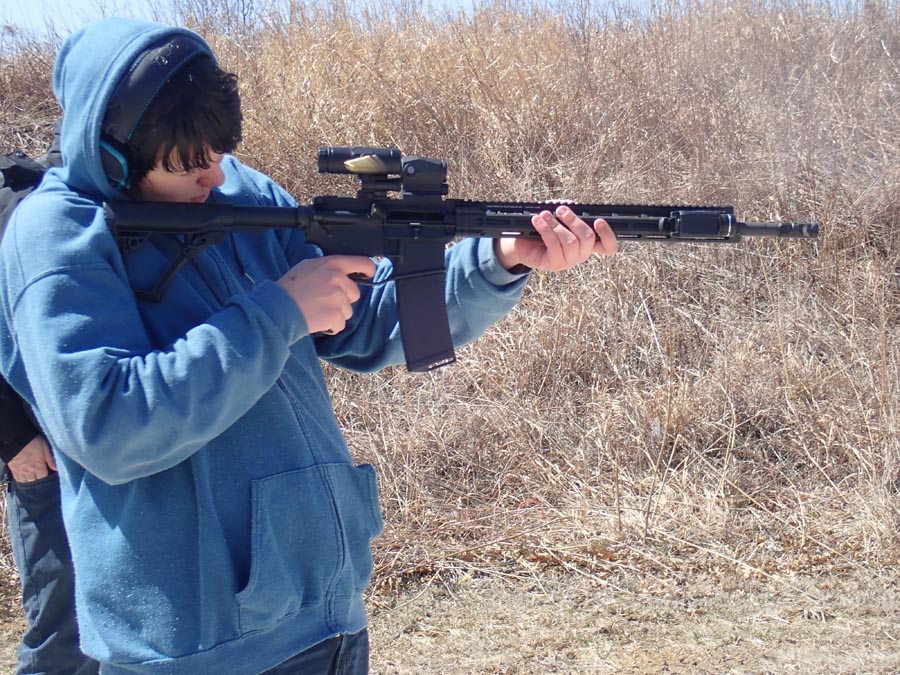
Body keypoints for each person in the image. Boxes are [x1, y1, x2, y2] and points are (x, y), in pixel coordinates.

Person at [0, 17, 617, 675]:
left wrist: (500, 259)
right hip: (200, 650)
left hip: (325, 613)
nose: (214, 175)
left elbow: (367, 317)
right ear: (114, 155)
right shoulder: (57, 234)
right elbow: (108, 426)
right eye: (188, 162)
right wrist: (278, 313)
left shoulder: (240, 192)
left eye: (217, 150)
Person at [0, 124, 100, 675]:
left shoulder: (117, 212)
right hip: (42, 457)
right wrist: (14, 441)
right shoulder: (16, 208)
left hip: (107, 450)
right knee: (63, 633)